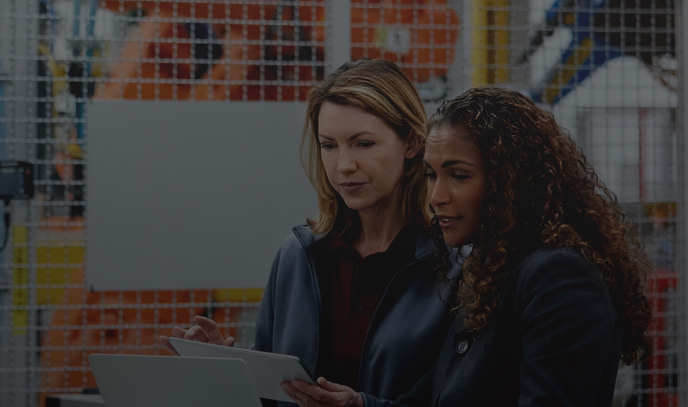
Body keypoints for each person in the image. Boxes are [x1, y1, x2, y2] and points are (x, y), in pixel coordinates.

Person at [285, 87, 652, 407]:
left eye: (458, 175)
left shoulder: (558, 277)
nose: (436, 196)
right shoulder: (489, 270)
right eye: (431, 175)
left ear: (511, 180)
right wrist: (357, 404)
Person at [160, 59, 462, 407]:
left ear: (412, 143)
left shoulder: (455, 266)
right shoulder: (298, 255)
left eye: (363, 144)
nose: (343, 165)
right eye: (329, 145)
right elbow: (269, 394)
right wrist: (227, 372)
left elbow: (465, 395)